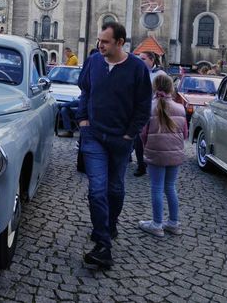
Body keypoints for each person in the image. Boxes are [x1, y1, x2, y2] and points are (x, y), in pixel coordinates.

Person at [76, 21, 152, 269]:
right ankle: (103, 244)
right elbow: (84, 90)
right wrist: (83, 120)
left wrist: (130, 135)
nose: (100, 45)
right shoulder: (94, 61)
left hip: (121, 141)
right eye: (99, 40)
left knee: (115, 189)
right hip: (94, 136)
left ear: (120, 42)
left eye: (106, 41)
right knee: (97, 190)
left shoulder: (137, 68)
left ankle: (110, 224)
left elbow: (143, 106)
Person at [138, 74, 187, 237]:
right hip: (175, 152)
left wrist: (146, 146)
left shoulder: (149, 107)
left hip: (156, 151)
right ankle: (174, 223)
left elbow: (143, 133)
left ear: (154, 87)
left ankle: (157, 224)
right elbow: (185, 134)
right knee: (170, 187)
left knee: (157, 188)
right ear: (170, 88)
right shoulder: (180, 108)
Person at [134, 51, 168, 176]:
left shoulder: (160, 75)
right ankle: (140, 165)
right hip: (140, 111)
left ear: (152, 60)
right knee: (138, 139)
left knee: (153, 140)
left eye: (143, 59)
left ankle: (153, 163)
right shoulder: (137, 72)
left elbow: (166, 93)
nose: (140, 61)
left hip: (155, 112)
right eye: (139, 58)